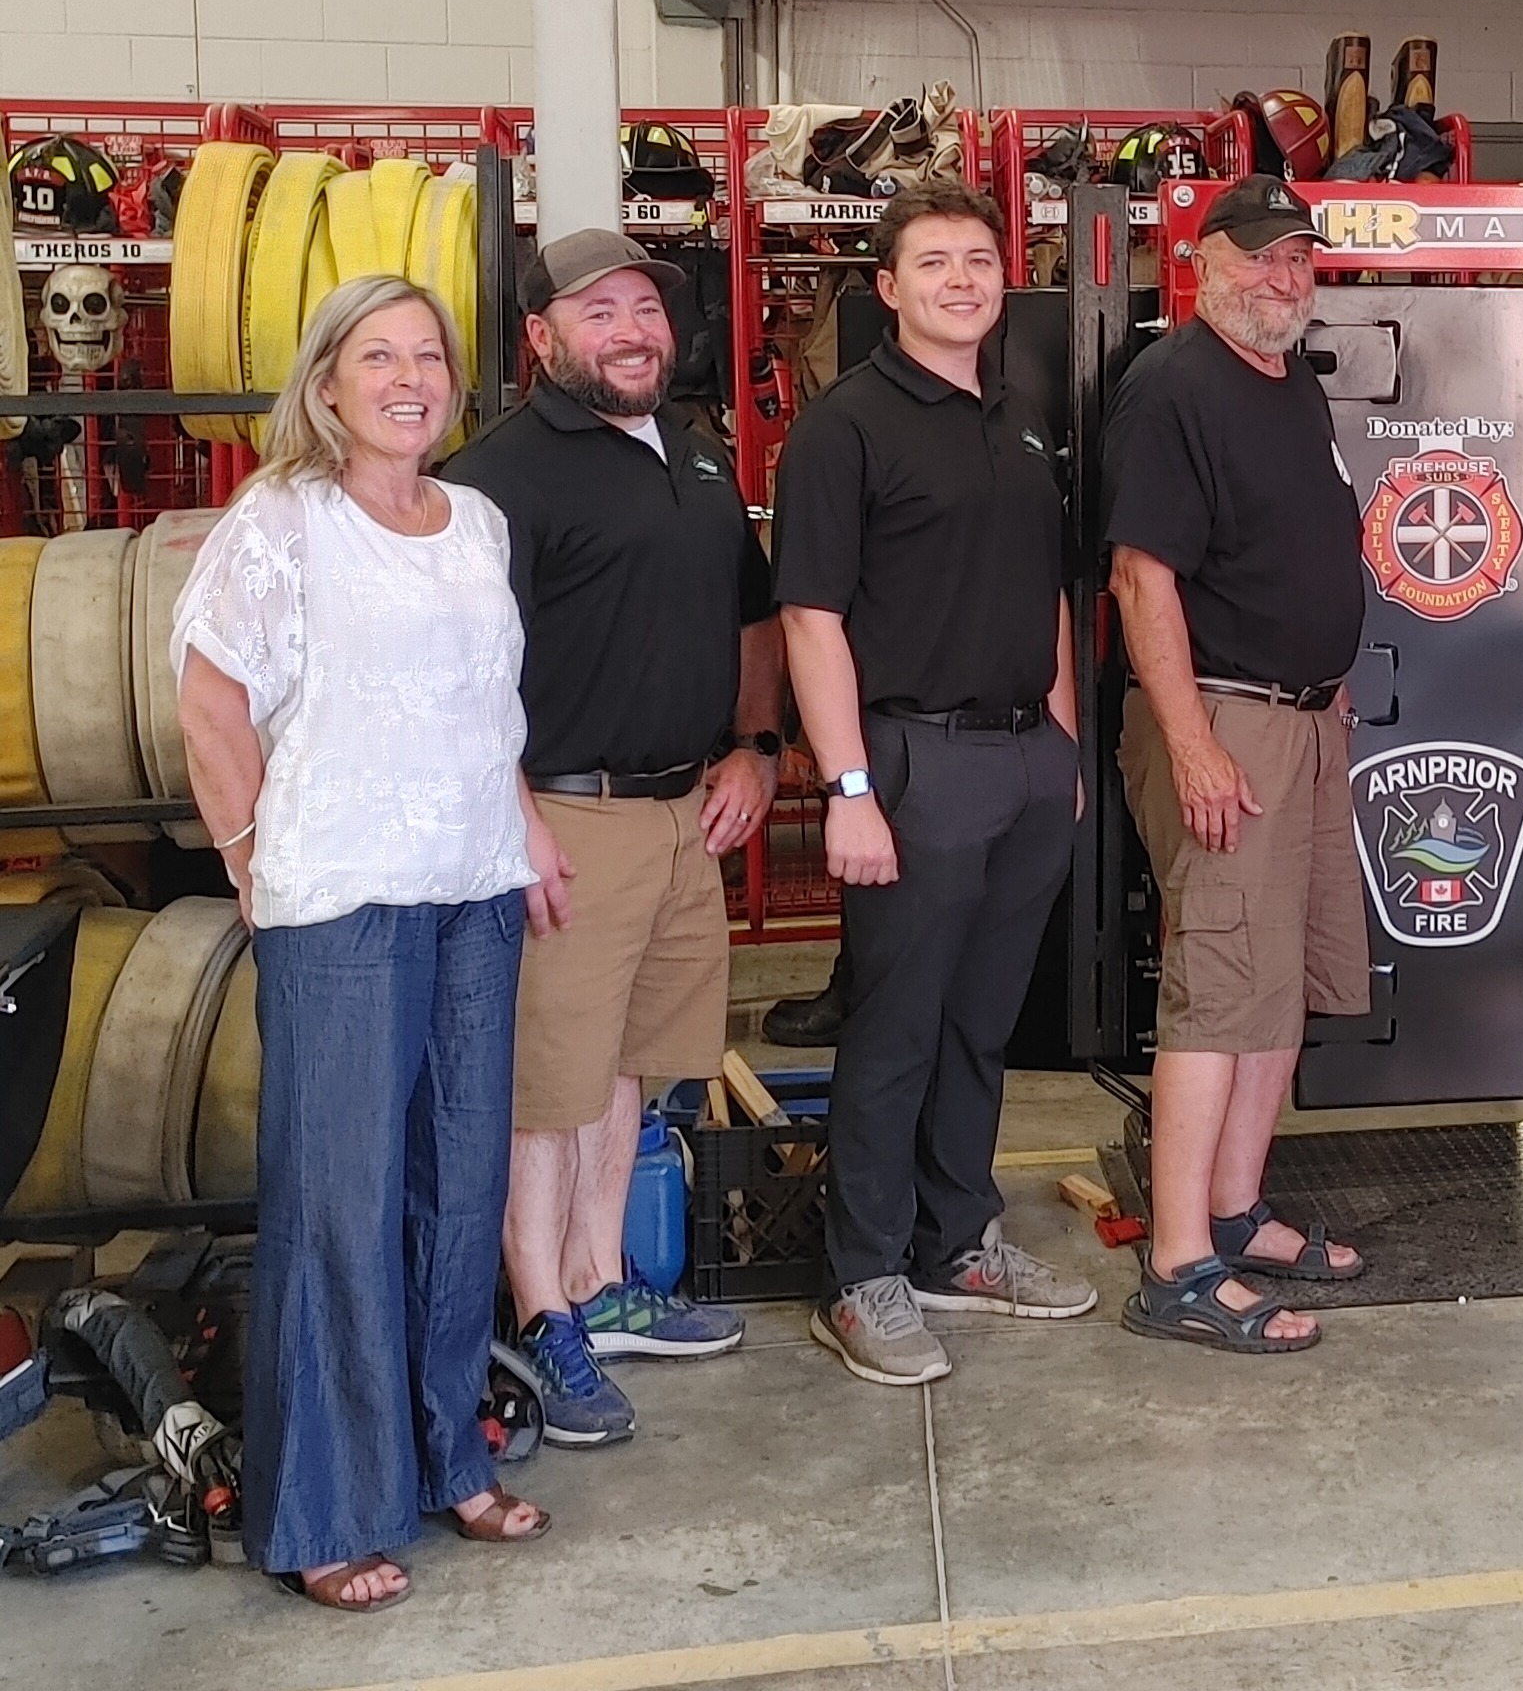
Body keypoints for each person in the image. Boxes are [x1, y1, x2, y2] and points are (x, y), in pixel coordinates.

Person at [171, 276, 569, 1610]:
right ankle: (325, 1505)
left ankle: (448, 1455)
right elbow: (212, 694)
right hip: (340, 896)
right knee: (337, 1201)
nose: (409, 376)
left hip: (473, 889)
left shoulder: (477, 522)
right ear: (327, 380)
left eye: (429, 355)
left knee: (457, 1188)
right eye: (377, 354)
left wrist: (522, 828)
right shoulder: (283, 520)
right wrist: (245, 855)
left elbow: (484, 709)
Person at [445, 230, 783, 1444]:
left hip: (682, 811)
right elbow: (462, 672)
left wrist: (757, 748)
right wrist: (517, 814)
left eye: (646, 306)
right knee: (549, 1087)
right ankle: (543, 1319)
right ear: (541, 338)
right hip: (565, 817)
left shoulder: (693, 461)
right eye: (599, 312)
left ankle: (600, 1281)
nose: (633, 329)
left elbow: (753, 618)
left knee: (627, 1064)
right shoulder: (496, 478)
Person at [775, 174, 1094, 1388]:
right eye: (934, 263)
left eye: (977, 259)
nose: (961, 279)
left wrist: (1058, 743)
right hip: (912, 757)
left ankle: (957, 1239)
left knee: (979, 1023)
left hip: (1022, 761)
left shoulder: (1015, 424)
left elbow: (1048, 600)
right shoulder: (845, 427)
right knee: (896, 1028)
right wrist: (847, 785)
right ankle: (863, 1276)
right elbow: (810, 618)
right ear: (888, 287)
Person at [1105, 172, 1372, 1354]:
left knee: (1276, 983)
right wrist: (1195, 741)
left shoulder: (1288, 386)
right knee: (1216, 990)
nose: (1284, 275)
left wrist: (1327, 672)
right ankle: (1174, 1264)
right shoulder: (1173, 385)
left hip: (1302, 719)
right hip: (1223, 722)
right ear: (1199, 261)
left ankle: (1235, 1207)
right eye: (1259, 255)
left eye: (1300, 257)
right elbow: (1141, 577)